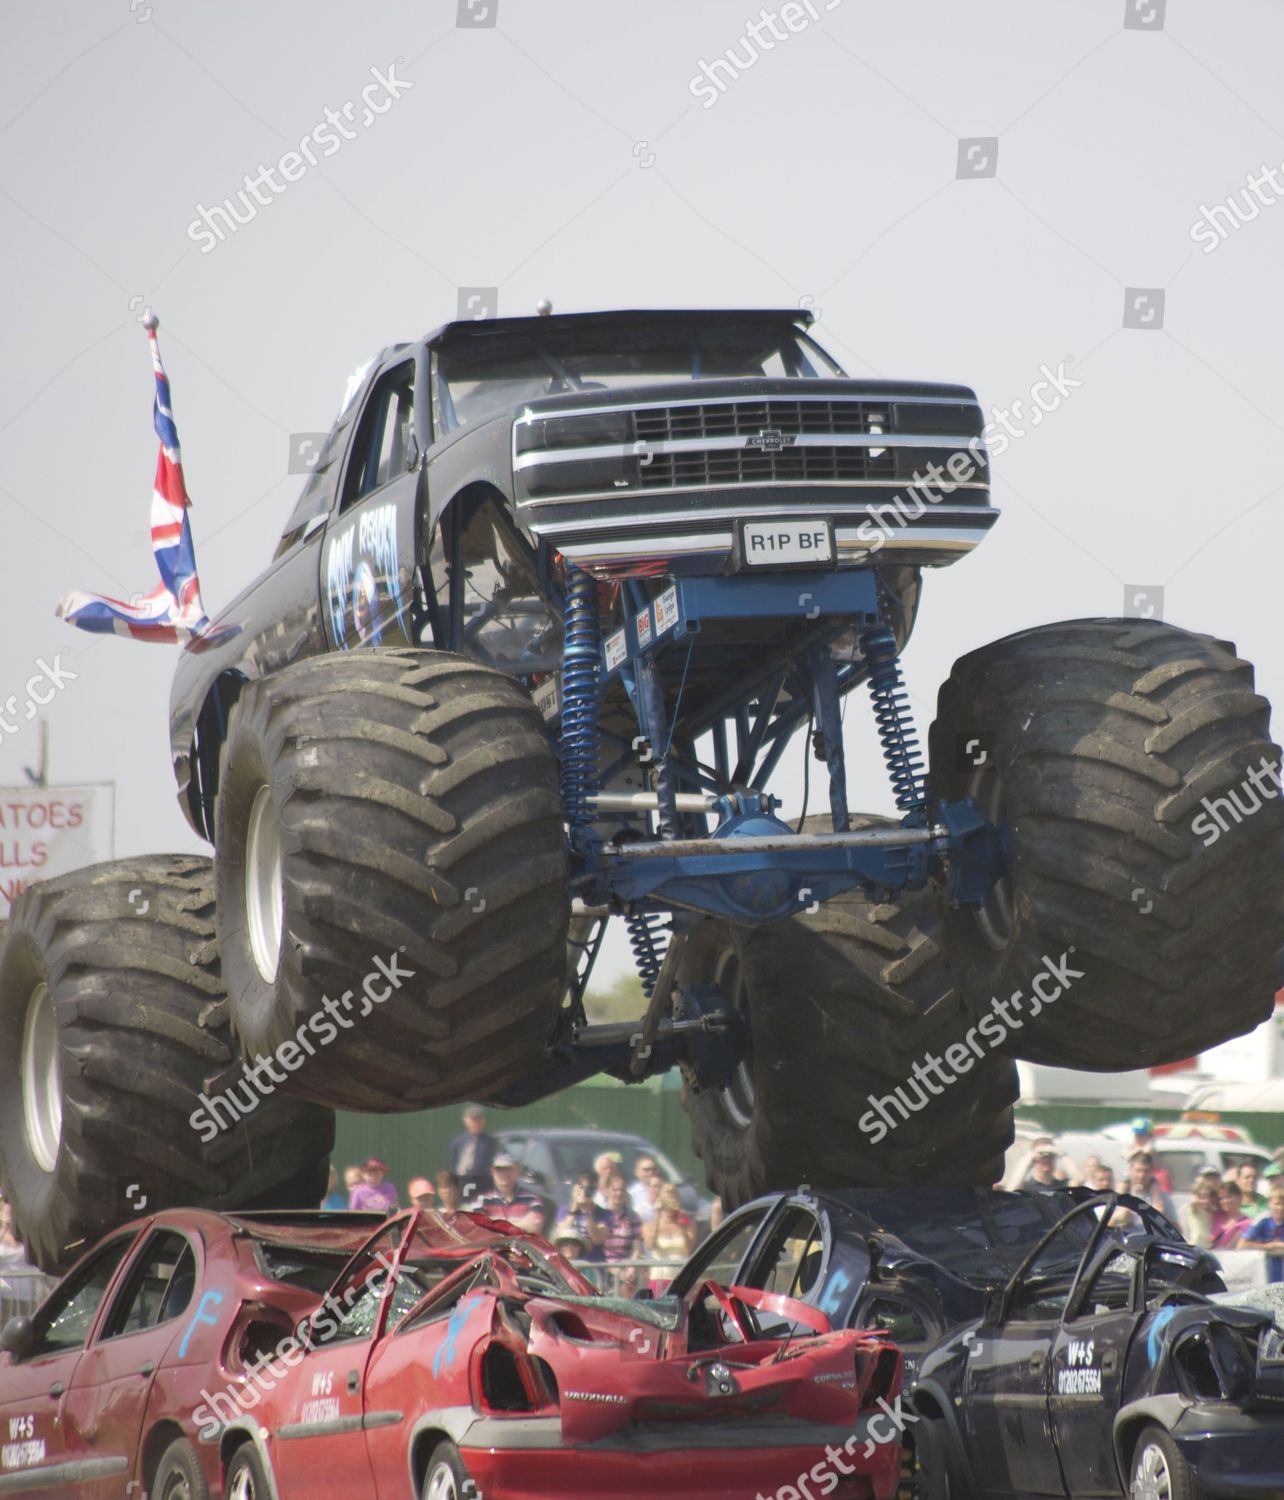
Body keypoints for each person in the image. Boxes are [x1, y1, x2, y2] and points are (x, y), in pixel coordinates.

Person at [642, 1184, 696, 1292]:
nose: (669, 1208)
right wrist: (658, 1216)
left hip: (681, 1278)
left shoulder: (688, 1224)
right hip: (659, 1278)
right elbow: (650, 1245)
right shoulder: (649, 1225)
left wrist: (681, 1223)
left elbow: (688, 1250)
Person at [476, 1156, 543, 1234]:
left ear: (517, 1171)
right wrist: (521, 1225)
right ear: (493, 1172)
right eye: (499, 1170)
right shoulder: (481, 1200)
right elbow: (479, 1228)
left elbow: (534, 1226)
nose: (504, 1174)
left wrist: (494, 1225)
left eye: (509, 1170)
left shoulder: (533, 1200)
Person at [556, 1174, 609, 1263]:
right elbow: (560, 1234)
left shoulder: (604, 1214)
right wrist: (573, 1209)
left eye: (590, 1189)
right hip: (568, 1262)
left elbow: (597, 1240)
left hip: (592, 1263)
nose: (585, 1191)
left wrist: (587, 1211)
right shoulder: (564, 1210)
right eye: (582, 1187)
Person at [449, 1106, 500, 1200]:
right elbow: (453, 1165)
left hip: (481, 1186)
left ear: (483, 1121)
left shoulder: (490, 1143)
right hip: (462, 1184)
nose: (476, 1123)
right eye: (473, 1120)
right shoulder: (459, 1142)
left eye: (479, 1119)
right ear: (466, 1121)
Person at [1238, 1183, 1284, 1283]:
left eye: (1283, 1204)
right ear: (1269, 1203)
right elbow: (1242, 1245)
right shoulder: (1263, 1219)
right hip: (1265, 1273)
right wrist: (1270, 1246)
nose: (1280, 1208)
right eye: (1277, 1204)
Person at [602, 1176, 643, 1267]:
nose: (619, 1193)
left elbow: (637, 1247)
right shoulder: (600, 1215)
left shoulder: (633, 1217)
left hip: (625, 1267)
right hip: (603, 1268)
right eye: (615, 1190)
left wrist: (631, 1267)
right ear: (607, 1191)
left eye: (622, 1190)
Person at [1128, 1118, 1172, 1191]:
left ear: (1149, 1136)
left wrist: (1140, 1149)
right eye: (1136, 1135)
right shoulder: (1131, 1146)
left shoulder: (1152, 1146)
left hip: (1150, 1179)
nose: (1138, 1138)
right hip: (1130, 1179)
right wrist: (1139, 1149)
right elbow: (1127, 1156)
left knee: (1155, 1189)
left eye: (1141, 1135)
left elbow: (1147, 1151)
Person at [1181, 1176, 1220, 1248]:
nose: (1205, 1201)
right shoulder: (1193, 1208)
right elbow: (1193, 1200)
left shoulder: (1214, 1212)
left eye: (1207, 1197)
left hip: (1208, 1248)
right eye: (1202, 1197)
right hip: (1194, 1247)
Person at [1211, 1182, 1252, 1249]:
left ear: (1239, 1197)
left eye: (1228, 1197)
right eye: (1221, 1198)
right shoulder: (1217, 1215)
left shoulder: (1247, 1224)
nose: (1225, 1201)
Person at [629, 1157, 662, 1223]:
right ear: (636, 1172)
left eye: (654, 1169)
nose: (651, 1172)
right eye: (646, 1170)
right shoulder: (631, 1193)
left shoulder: (664, 1190)